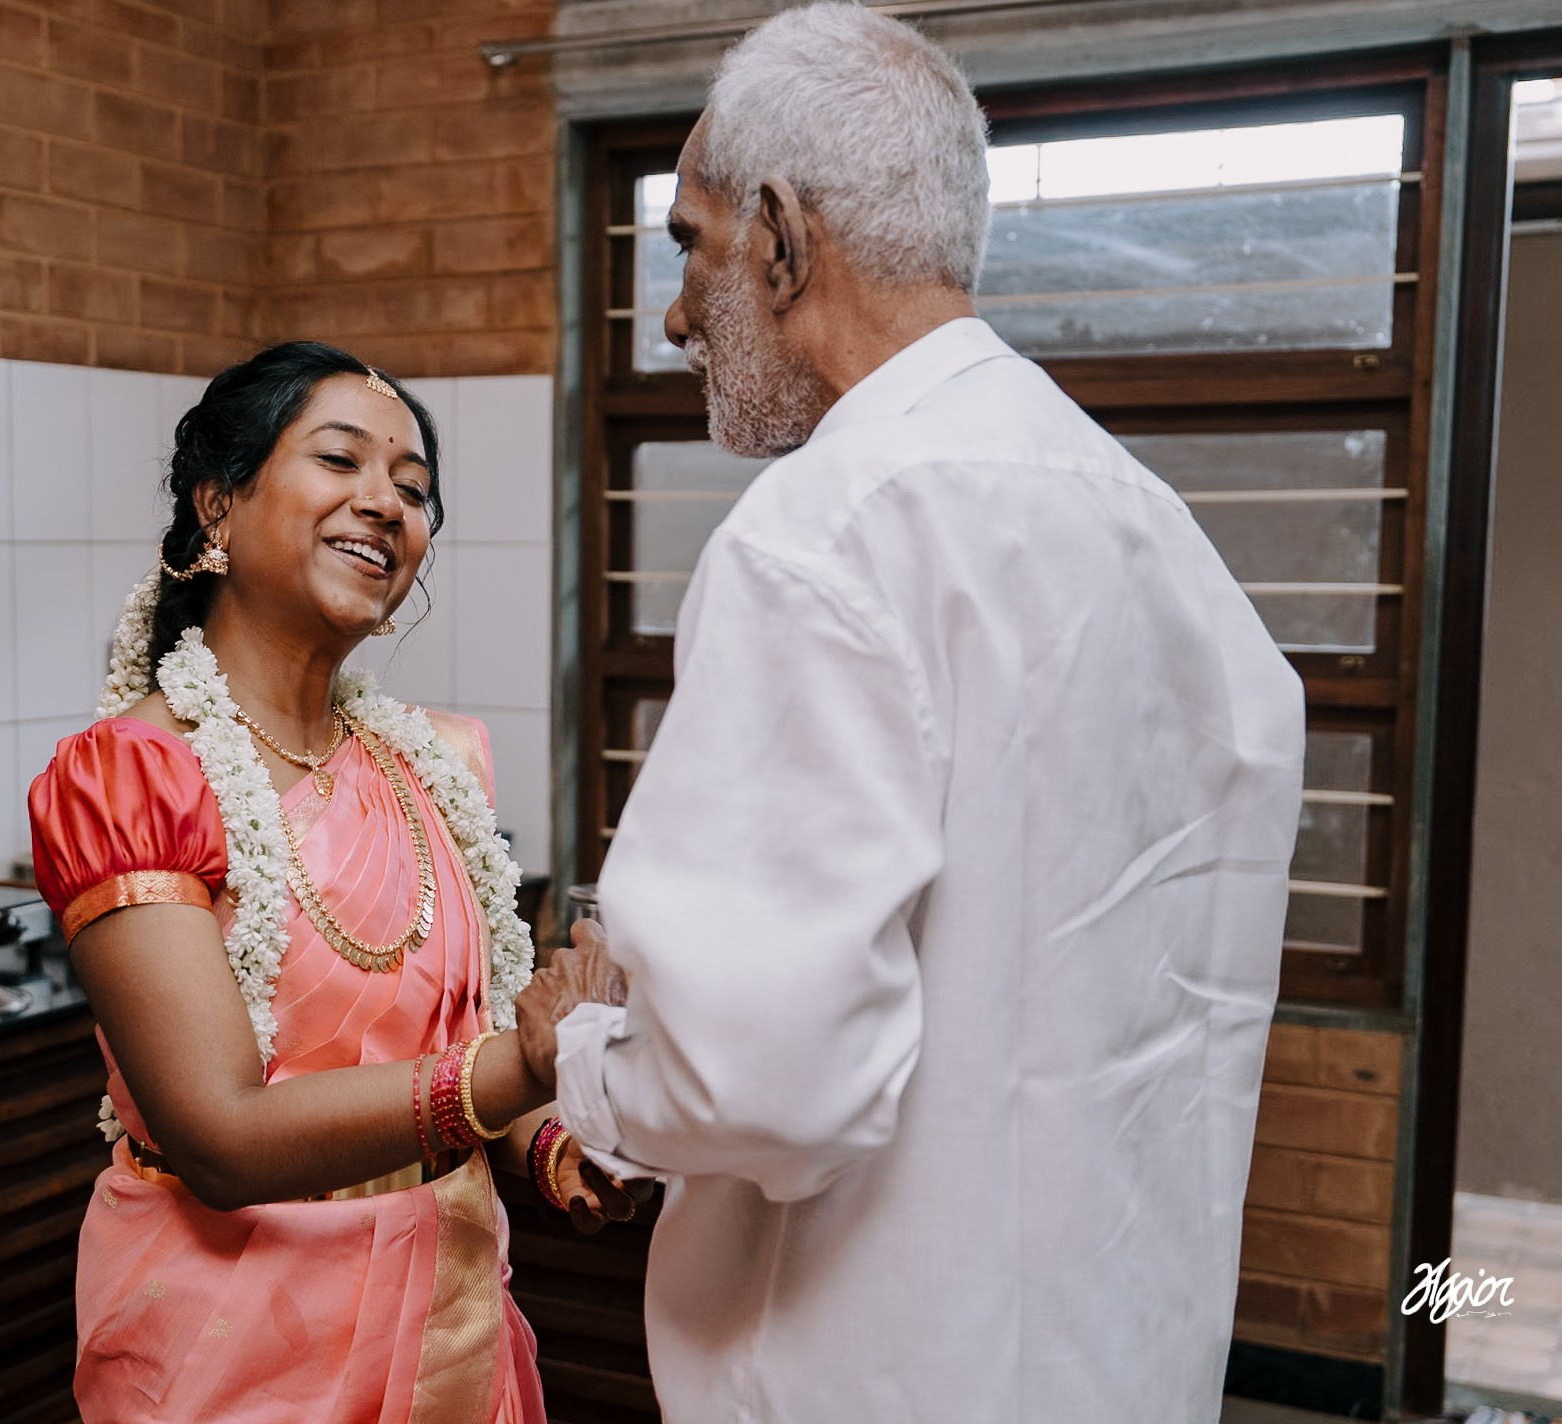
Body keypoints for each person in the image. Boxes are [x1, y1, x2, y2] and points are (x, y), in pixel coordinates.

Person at [513, 7, 1308, 1422]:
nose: (677, 315)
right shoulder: (1164, 538)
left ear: (778, 233)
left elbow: (759, 1083)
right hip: (1118, 1364)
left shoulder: (822, 537)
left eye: (688, 245)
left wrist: (584, 1056)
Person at [28, 341, 640, 1423]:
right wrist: (517, 1065)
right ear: (218, 503)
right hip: (234, 1345)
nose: (385, 504)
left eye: (412, 487)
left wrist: (556, 1147)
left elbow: (472, 1046)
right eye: (341, 461)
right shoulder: (133, 775)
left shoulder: (438, 763)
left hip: (452, 1324)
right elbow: (219, 1133)